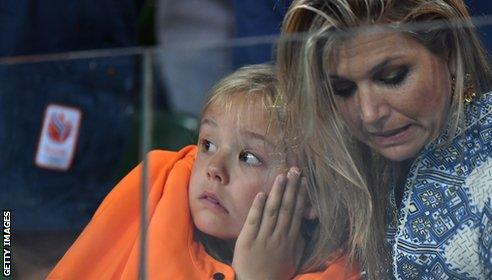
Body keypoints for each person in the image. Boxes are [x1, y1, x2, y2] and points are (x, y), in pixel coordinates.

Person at [276, 0, 492, 279]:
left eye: (392, 77)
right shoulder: (379, 152)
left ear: (450, 57)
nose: (368, 113)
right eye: (343, 89)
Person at [47, 64, 360, 279]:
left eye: (248, 157)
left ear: (312, 197)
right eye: (208, 145)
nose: (214, 169)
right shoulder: (160, 196)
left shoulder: (342, 272)